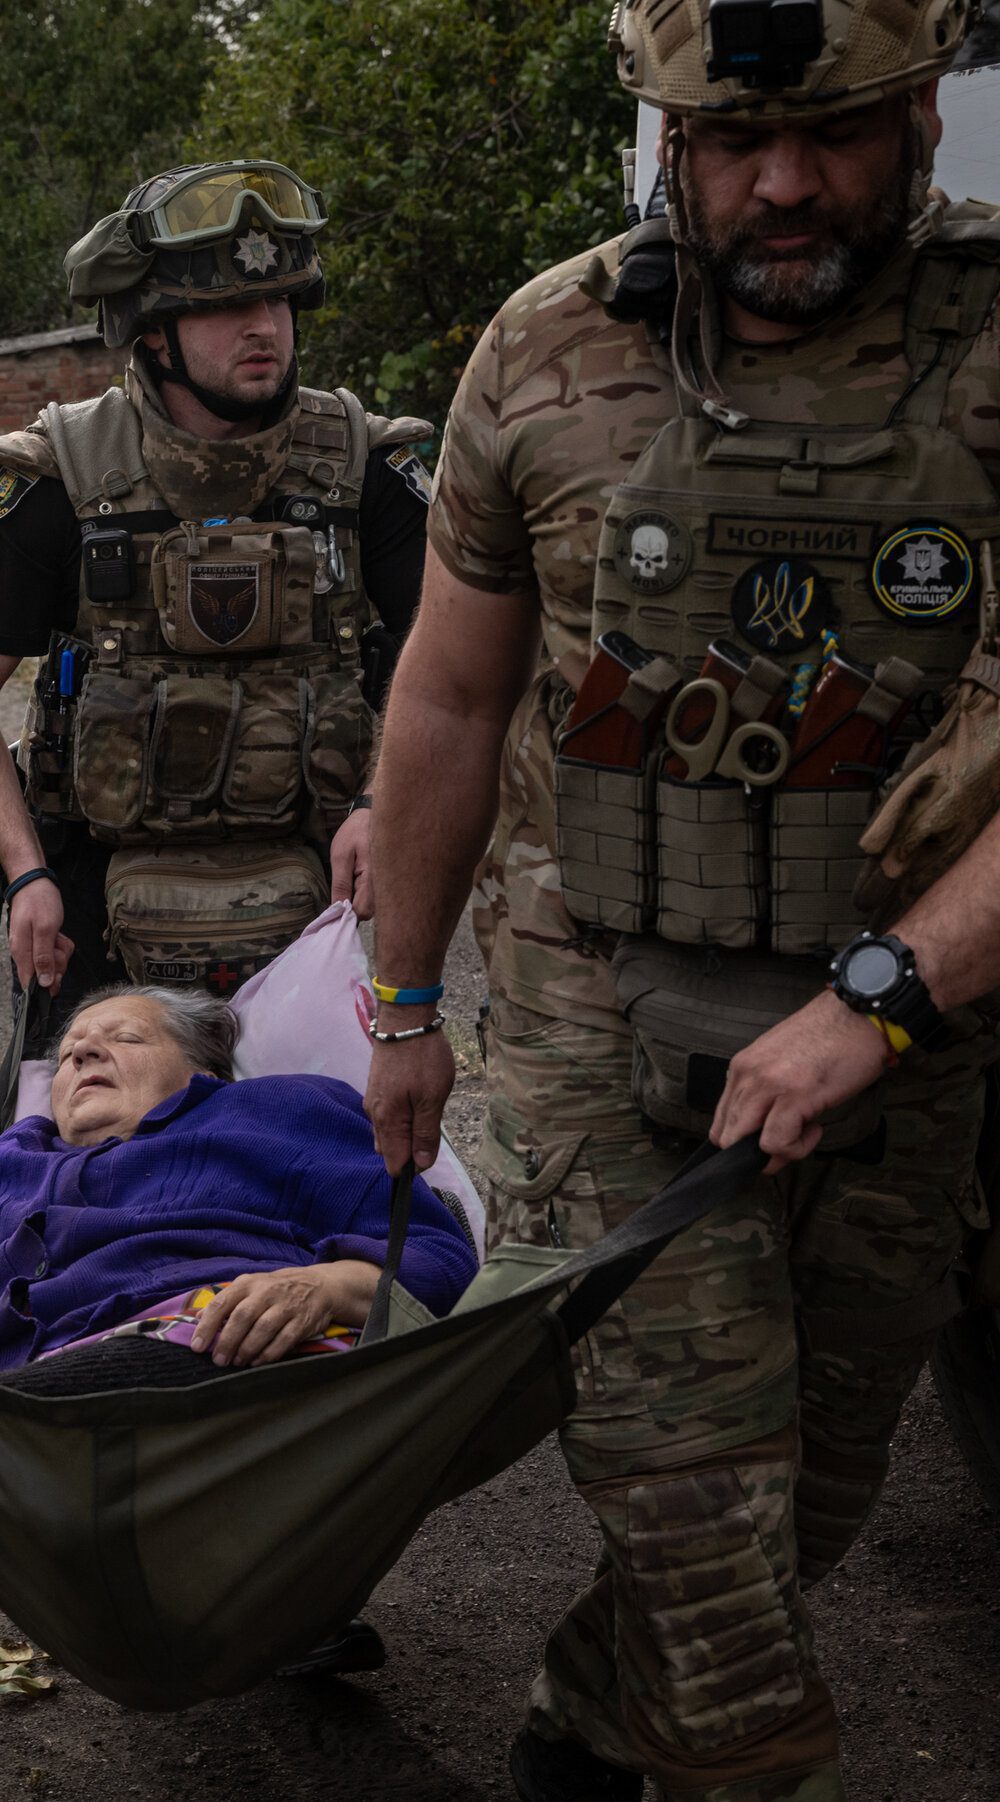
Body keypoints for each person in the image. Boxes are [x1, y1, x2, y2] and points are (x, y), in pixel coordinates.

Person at [362, 4, 998, 1799]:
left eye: (838, 133)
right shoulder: (547, 346)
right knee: (703, 1520)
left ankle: (583, 1719)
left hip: (913, 1030)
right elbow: (451, 698)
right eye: (732, 144)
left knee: (817, 1493)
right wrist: (403, 1005)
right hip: (597, 1009)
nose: (783, 184)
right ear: (666, 140)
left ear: (925, 114)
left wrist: (878, 1004)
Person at [0, 161, 435, 1053]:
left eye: (278, 301)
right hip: (97, 902)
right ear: (152, 332)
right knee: (62, 1128)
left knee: (330, 1133)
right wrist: (26, 871)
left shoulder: (367, 471)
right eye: (226, 307)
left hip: (317, 891)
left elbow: (452, 668)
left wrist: (377, 803)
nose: (264, 326)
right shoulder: (65, 476)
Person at [0, 987, 477, 1384]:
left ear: (204, 1073)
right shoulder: (0, 1163)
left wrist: (325, 1287)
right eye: (69, 1053)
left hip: (212, 1359)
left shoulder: (279, 1111)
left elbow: (441, 1262)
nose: (83, 1054)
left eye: (126, 1037)